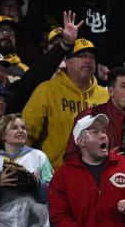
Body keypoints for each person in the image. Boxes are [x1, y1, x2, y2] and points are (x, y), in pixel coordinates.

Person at [48, 112, 125, 227]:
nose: (103, 135)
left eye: (104, 131)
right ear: (81, 142)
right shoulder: (63, 175)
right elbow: (60, 217)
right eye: (95, 132)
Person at [21, 39, 110, 170]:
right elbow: (27, 132)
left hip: (97, 173)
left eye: (91, 57)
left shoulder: (105, 95)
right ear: (68, 63)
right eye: (81, 56)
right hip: (55, 173)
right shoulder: (47, 90)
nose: (87, 60)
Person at [0, 114, 53, 227]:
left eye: (23, 128)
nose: (21, 131)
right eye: (14, 128)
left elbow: (54, 196)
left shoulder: (39, 157)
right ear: (3, 134)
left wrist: (36, 185)